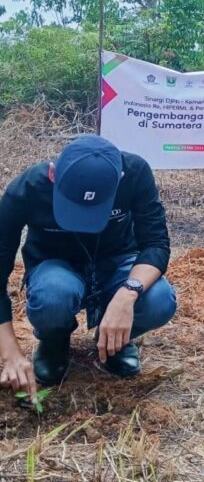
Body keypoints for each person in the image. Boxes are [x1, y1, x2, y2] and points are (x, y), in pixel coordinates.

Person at [0, 135, 177, 396]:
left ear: (119, 180)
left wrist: (127, 295)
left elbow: (156, 245)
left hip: (118, 263)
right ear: (53, 175)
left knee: (160, 300)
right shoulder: (28, 188)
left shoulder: (136, 173)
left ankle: (116, 339)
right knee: (52, 295)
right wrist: (10, 353)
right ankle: (53, 340)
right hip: (55, 267)